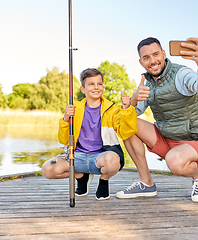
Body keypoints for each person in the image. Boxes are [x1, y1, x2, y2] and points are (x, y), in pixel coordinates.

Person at [116, 37, 198, 202]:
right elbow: (132, 113)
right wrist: (132, 101)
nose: (153, 61)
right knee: (124, 122)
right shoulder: (146, 83)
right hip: (167, 140)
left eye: (156, 54)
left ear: (163, 54)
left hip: (197, 143)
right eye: (146, 57)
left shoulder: (181, 74)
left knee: (174, 161)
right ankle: (146, 183)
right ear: (141, 62)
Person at [42, 68, 137, 200]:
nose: (96, 87)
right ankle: (81, 176)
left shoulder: (112, 109)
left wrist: (126, 110)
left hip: (100, 157)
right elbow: (64, 140)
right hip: (78, 157)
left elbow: (125, 132)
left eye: (99, 83)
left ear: (103, 86)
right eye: (91, 84)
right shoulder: (74, 109)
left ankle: (104, 181)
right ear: (83, 89)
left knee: (113, 160)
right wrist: (65, 119)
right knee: (47, 169)